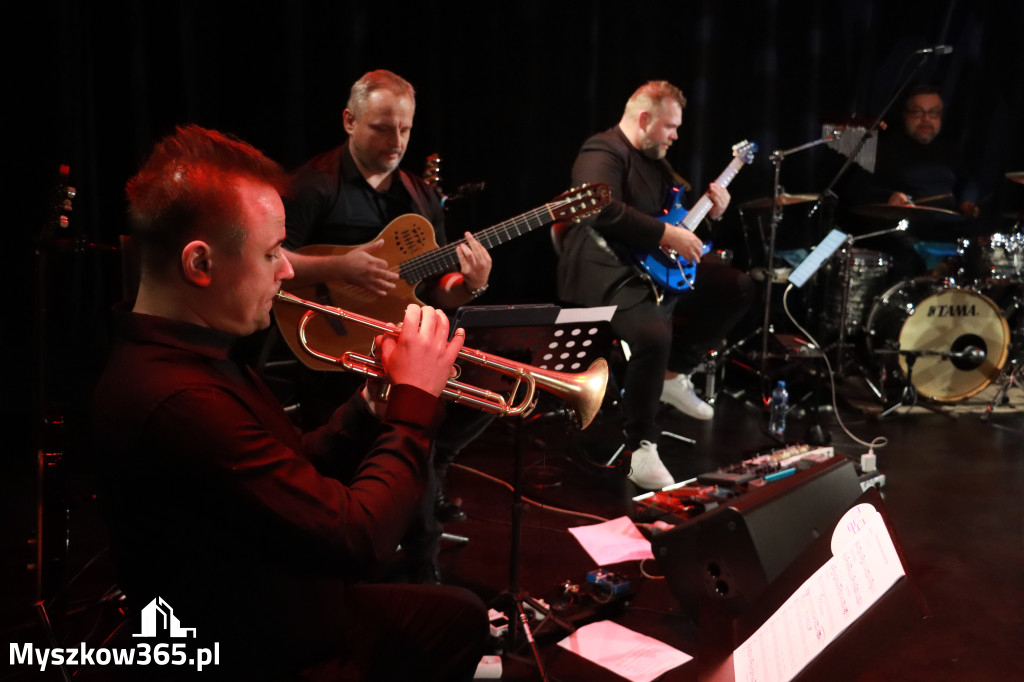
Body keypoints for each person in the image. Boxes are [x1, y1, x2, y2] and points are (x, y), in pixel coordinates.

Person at [92, 124, 488, 681]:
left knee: (461, 619)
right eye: (273, 252)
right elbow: (360, 538)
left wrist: (370, 408)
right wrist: (414, 403)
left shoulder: (196, 353)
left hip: (291, 603)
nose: (287, 271)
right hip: (265, 646)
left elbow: (287, 467)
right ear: (199, 265)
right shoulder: (180, 399)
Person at [283, 69, 494, 540]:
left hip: (396, 345)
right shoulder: (311, 186)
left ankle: (423, 529)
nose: (396, 140)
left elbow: (436, 288)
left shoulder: (419, 196)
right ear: (349, 120)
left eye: (405, 128)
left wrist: (470, 285)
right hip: (327, 346)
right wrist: (339, 268)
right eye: (381, 127)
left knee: (486, 387)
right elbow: (270, 259)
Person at [557, 80, 754, 490]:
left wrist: (712, 211)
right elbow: (598, 205)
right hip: (600, 269)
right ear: (644, 119)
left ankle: (672, 374)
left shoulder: (659, 163)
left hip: (650, 266)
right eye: (670, 126)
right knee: (650, 332)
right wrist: (665, 236)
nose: (676, 136)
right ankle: (641, 447)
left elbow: (676, 219)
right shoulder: (602, 150)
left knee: (736, 285)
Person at [849, 84, 981, 277]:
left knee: (979, 255)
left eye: (933, 113)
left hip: (947, 229)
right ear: (905, 114)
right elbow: (855, 191)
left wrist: (968, 201)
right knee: (906, 254)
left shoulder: (950, 151)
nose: (926, 119)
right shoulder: (883, 149)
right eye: (918, 112)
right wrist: (889, 197)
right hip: (903, 232)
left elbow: (969, 182)